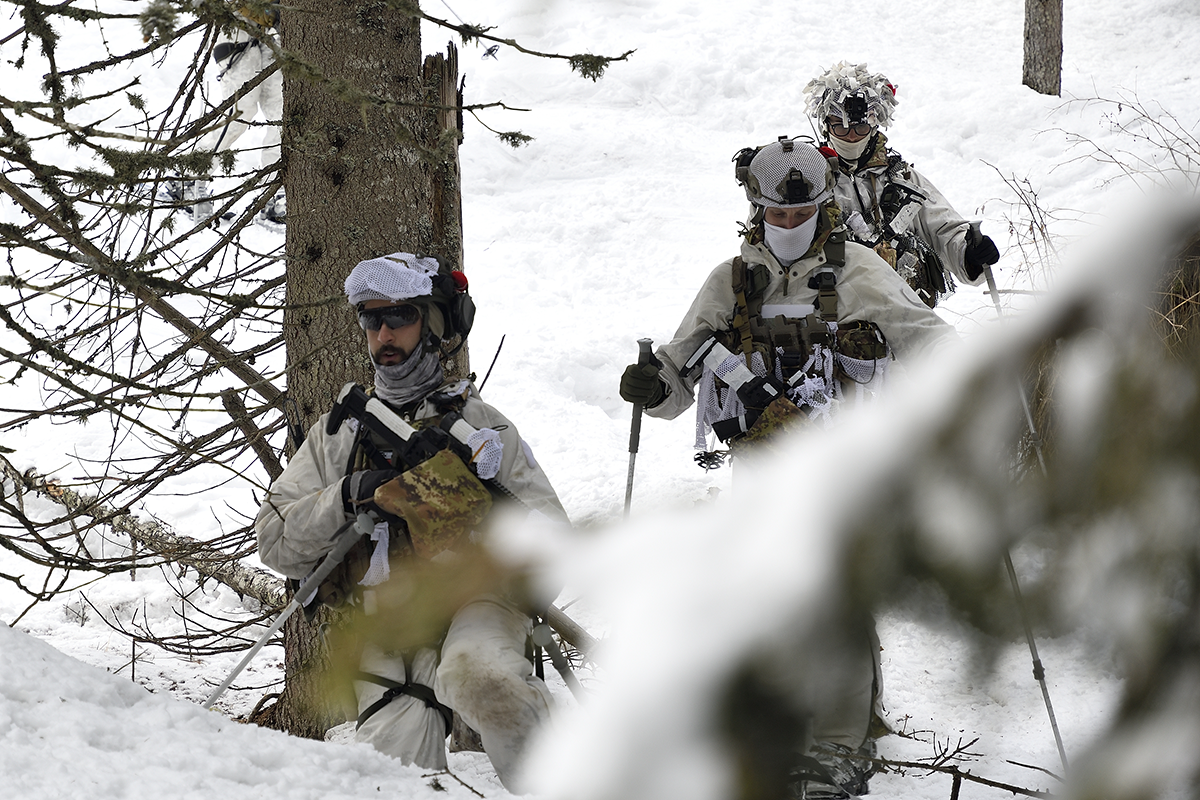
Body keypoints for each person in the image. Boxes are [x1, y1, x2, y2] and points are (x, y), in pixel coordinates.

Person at [618, 138, 957, 798]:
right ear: (757, 210)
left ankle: (838, 746)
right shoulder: (731, 281)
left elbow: (931, 341)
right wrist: (650, 387)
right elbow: (680, 370)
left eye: (801, 216)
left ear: (821, 208)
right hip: (763, 471)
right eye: (777, 215)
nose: (790, 226)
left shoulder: (859, 271)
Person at [255, 252, 568, 793]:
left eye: (399, 316)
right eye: (371, 320)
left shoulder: (482, 428)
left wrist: (475, 506)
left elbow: (551, 547)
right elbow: (276, 541)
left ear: (434, 322)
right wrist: (351, 495)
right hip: (391, 623)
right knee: (394, 785)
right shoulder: (340, 435)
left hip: (480, 604)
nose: (384, 334)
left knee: (482, 677)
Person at [803, 62, 999, 308]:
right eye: (840, 126)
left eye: (860, 127)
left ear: (875, 125)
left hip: (904, 315)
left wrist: (969, 253)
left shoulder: (902, 180)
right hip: (832, 317)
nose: (851, 136)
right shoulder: (806, 182)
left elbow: (943, 230)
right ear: (825, 124)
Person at [159, 4, 285, 223]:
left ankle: (274, 192)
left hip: (276, 30)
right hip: (237, 28)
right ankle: (185, 180)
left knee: (284, 113)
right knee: (239, 112)